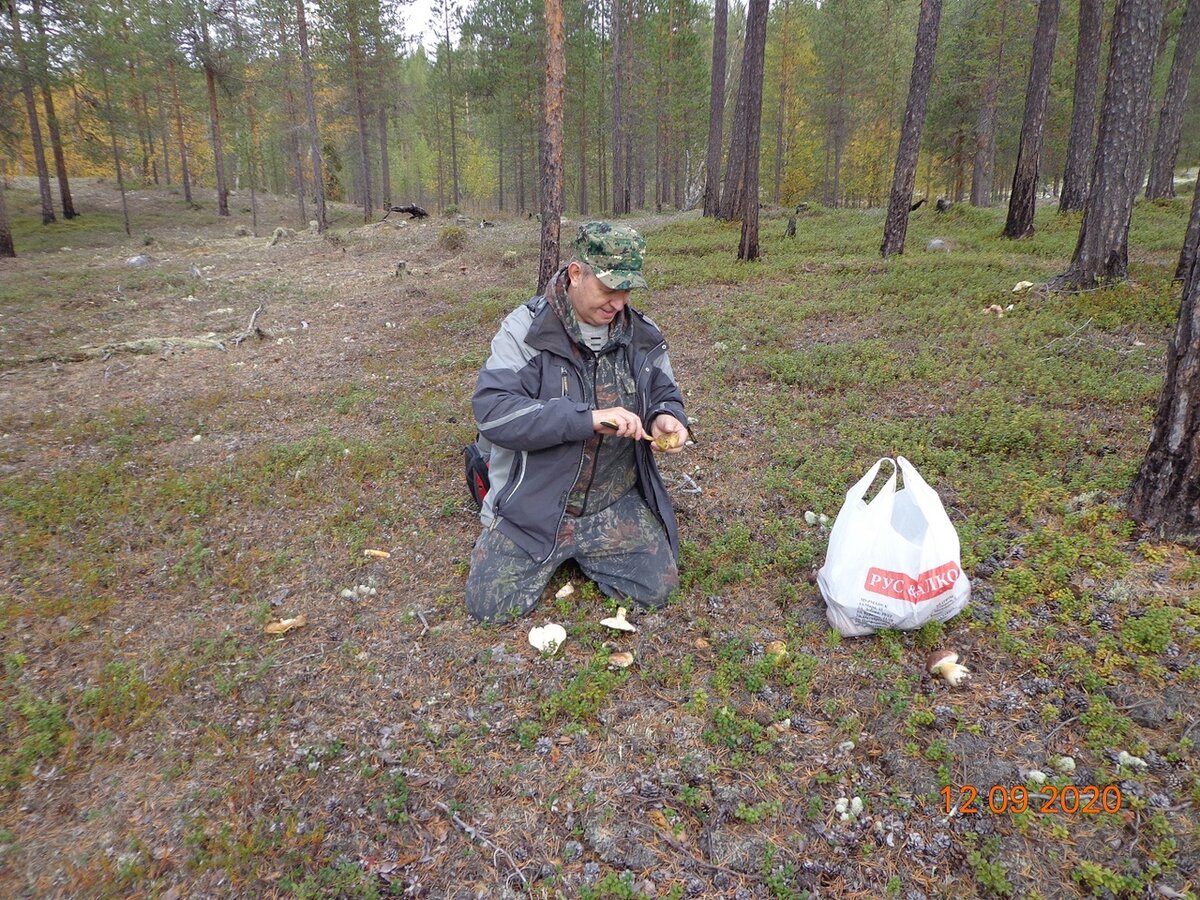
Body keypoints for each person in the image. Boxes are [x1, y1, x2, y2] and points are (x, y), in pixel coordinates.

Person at [465, 221, 690, 623]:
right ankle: (492, 489)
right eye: (608, 290)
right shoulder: (526, 332)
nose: (618, 303)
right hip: (536, 505)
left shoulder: (642, 334)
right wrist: (586, 419)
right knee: (488, 607)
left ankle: (584, 549)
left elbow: (663, 391)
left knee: (659, 590)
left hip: (612, 502)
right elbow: (493, 413)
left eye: (626, 291)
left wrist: (666, 418)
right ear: (576, 273)